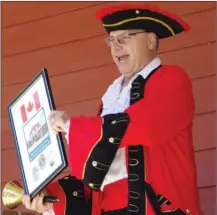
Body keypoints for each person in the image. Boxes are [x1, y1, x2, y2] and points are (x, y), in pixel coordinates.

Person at [22, 3, 203, 215]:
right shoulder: (110, 99)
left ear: (151, 40)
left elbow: (144, 126)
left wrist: (73, 127)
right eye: (112, 39)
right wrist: (48, 195)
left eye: (126, 37)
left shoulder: (172, 79)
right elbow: (98, 179)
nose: (116, 46)